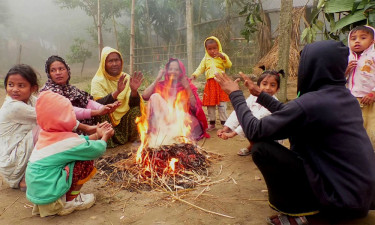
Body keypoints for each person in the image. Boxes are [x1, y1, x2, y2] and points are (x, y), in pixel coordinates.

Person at [214, 40, 375, 224]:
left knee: (261, 148)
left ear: (313, 66)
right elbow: (294, 113)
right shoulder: (346, 97)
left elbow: (255, 130)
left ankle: (304, 211)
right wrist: (261, 95)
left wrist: (235, 95)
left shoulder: (312, 103)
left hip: (339, 202)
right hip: (359, 196)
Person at [25, 91, 114, 217]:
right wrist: (104, 137)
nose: (73, 116)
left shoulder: (47, 134)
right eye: (70, 112)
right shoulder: (67, 142)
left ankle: (62, 199)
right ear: (63, 118)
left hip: (39, 193)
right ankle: (71, 201)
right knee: (85, 160)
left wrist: (97, 134)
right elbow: (95, 150)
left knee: (78, 153)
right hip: (51, 196)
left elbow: (78, 143)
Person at [41, 55, 120, 128]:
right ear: (49, 74)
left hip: (82, 126)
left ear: (67, 71)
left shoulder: (71, 88)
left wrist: (104, 108)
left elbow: (87, 102)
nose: (58, 73)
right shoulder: (48, 92)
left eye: (61, 69)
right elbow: (69, 111)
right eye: (53, 70)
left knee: (104, 115)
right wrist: (97, 112)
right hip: (62, 129)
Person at [142, 58, 209, 142]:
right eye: (170, 69)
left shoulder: (187, 85)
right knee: (154, 97)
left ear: (181, 72)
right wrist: (157, 79)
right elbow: (145, 96)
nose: (173, 72)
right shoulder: (161, 84)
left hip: (181, 121)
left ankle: (174, 135)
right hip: (163, 121)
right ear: (167, 71)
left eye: (176, 69)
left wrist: (187, 87)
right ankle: (161, 133)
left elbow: (195, 107)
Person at [217, 69, 281, 156]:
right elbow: (239, 112)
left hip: (271, 135)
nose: (268, 88)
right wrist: (227, 127)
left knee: (267, 154)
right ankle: (252, 145)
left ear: (277, 89)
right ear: (257, 86)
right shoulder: (252, 97)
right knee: (249, 126)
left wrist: (233, 133)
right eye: (264, 84)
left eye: (272, 85)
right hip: (257, 129)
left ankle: (270, 149)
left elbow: (253, 121)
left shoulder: (274, 104)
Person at [91, 47, 144, 147]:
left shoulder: (126, 77)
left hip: (124, 119)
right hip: (109, 119)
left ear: (121, 62)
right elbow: (97, 105)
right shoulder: (98, 80)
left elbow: (133, 104)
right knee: (102, 111)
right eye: (110, 61)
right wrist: (117, 92)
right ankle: (108, 141)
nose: (114, 64)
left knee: (136, 110)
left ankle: (133, 138)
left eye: (117, 60)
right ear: (104, 64)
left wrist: (134, 91)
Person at [0, 64, 39, 191]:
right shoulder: (14, 106)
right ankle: (25, 179)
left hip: (20, 155)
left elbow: (51, 108)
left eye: (21, 85)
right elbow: (50, 116)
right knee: (45, 129)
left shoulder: (31, 100)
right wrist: (86, 128)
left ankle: (32, 174)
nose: (15, 89)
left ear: (33, 88)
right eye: (10, 84)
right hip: (12, 164)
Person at [191, 36, 232, 131]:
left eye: (215, 48)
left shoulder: (222, 56)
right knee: (210, 105)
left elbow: (229, 65)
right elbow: (200, 68)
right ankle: (212, 123)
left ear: (219, 47)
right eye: (209, 49)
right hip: (210, 84)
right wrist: (194, 75)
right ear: (206, 49)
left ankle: (224, 123)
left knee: (222, 104)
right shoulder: (206, 58)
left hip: (221, 83)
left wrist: (222, 57)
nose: (212, 50)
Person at [345, 25, 375, 148]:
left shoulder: (373, 57)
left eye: (363, 38)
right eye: (353, 38)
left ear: (372, 41)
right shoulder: (346, 58)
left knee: (371, 130)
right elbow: (338, 79)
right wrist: (345, 71)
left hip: (371, 101)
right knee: (354, 130)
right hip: (352, 100)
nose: (357, 41)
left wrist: (373, 93)